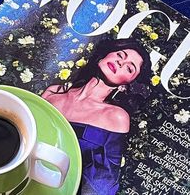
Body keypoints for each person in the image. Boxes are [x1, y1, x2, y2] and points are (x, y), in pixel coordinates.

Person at [42, 38, 152, 194]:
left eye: (129, 68)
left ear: (125, 86)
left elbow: (103, 182)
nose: (121, 63)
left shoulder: (116, 117)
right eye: (120, 55)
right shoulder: (53, 92)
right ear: (104, 56)